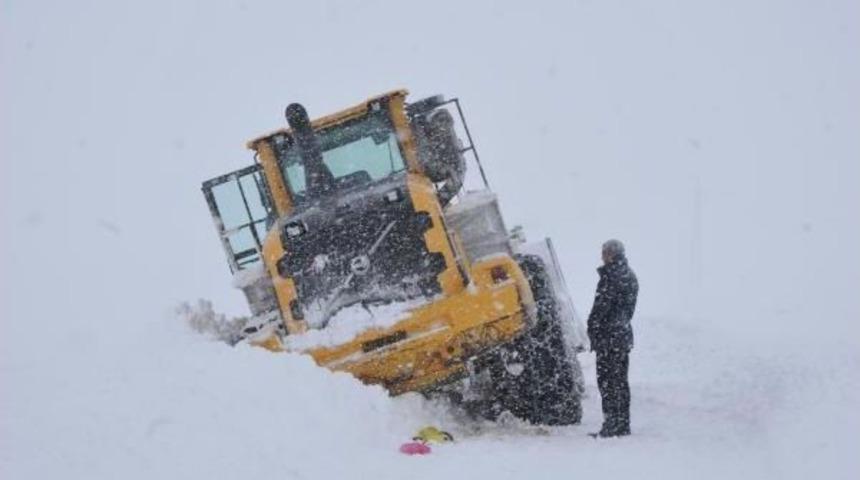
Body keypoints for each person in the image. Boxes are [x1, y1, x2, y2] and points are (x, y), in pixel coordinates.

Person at [587, 239, 639, 437]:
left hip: (609, 337)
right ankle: (622, 424)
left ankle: (611, 424)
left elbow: (601, 308)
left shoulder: (611, 276)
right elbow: (627, 309)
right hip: (621, 335)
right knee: (620, 381)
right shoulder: (629, 275)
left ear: (611, 254)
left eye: (604, 252)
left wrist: (593, 326)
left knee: (608, 382)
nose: (602, 256)